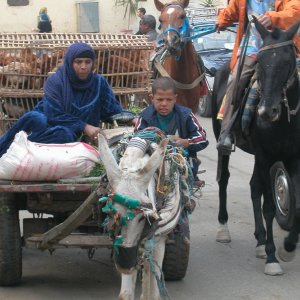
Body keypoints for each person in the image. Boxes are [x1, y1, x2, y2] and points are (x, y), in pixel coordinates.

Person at [0, 42, 123, 157]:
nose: (83, 67)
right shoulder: (57, 81)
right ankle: (13, 149)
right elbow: (54, 114)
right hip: (48, 125)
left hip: (76, 133)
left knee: (67, 135)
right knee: (49, 126)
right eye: (78, 62)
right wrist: (84, 126)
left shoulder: (98, 82)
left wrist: (132, 118)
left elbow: (111, 109)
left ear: (93, 63)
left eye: (87, 62)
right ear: (70, 62)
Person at [215, 0, 300, 153]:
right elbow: (232, 11)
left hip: (281, 47)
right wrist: (222, 20)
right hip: (253, 46)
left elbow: (295, 10)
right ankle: (226, 132)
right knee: (236, 80)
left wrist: (273, 17)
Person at [134, 77, 208, 186]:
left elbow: (202, 137)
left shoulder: (185, 115)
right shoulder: (145, 116)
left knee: (187, 174)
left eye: (169, 100)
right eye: (159, 99)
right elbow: (136, 138)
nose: (164, 104)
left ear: (175, 99)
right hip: (152, 162)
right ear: (152, 98)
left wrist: (187, 142)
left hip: (181, 162)